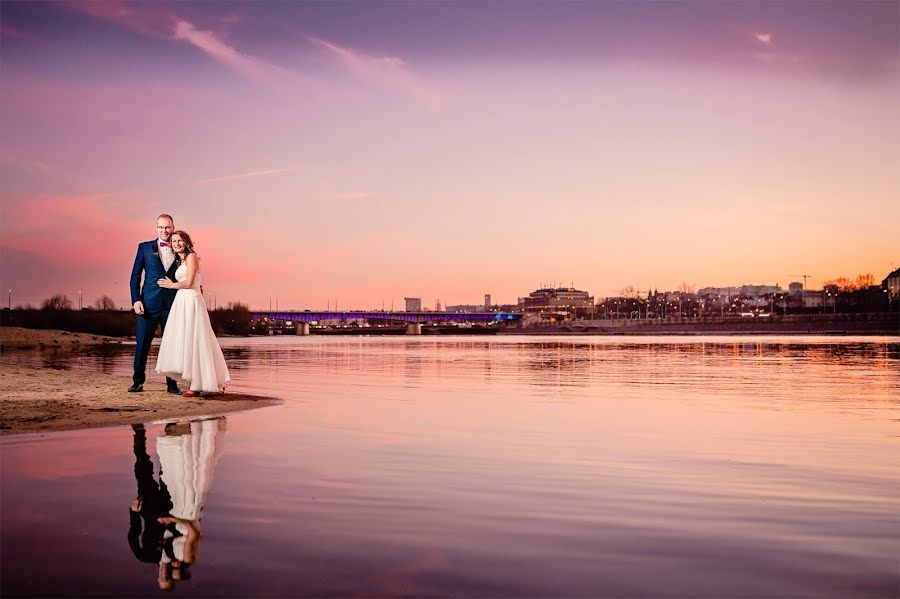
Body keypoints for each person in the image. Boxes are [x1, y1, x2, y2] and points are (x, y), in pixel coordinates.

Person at [154, 231, 230, 396]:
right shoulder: (180, 260)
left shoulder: (192, 257)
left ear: (186, 241)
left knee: (196, 339)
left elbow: (189, 282)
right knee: (185, 340)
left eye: (179, 240)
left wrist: (170, 285)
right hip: (182, 301)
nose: (176, 243)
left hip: (191, 301)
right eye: (173, 241)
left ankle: (197, 385)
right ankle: (193, 381)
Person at [129, 214, 181, 394]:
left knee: (171, 346)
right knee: (142, 344)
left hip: (172, 306)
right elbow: (135, 277)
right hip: (148, 305)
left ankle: (172, 385)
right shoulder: (144, 248)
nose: (164, 231)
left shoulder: (179, 248)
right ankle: (137, 382)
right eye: (161, 227)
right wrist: (136, 300)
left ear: (173, 227)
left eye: (167, 227)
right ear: (156, 227)